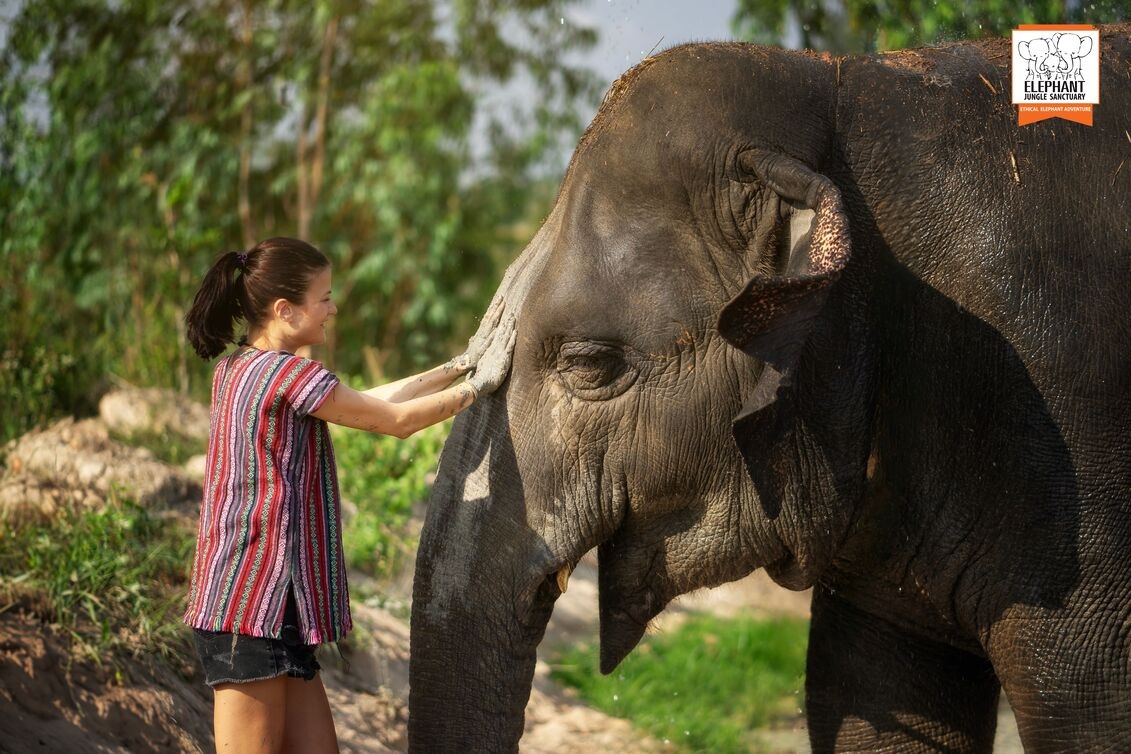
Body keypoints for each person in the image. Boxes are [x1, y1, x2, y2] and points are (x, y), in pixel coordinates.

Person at [181, 236, 513, 753]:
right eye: (324, 298)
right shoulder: (287, 374)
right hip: (247, 609)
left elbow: (372, 402)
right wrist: (482, 386)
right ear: (284, 310)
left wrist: (460, 365)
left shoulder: (241, 369)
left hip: (272, 605)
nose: (333, 308)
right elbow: (396, 422)